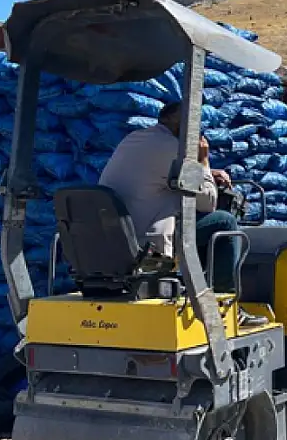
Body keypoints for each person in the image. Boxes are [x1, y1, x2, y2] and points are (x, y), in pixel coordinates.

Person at [99, 102, 266, 327]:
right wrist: (203, 162)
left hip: (118, 237)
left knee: (189, 221)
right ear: (186, 128)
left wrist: (202, 172)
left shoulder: (134, 138)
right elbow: (208, 202)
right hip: (148, 242)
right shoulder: (175, 150)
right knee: (224, 223)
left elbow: (157, 174)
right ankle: (224, 305)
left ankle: (193, 287)